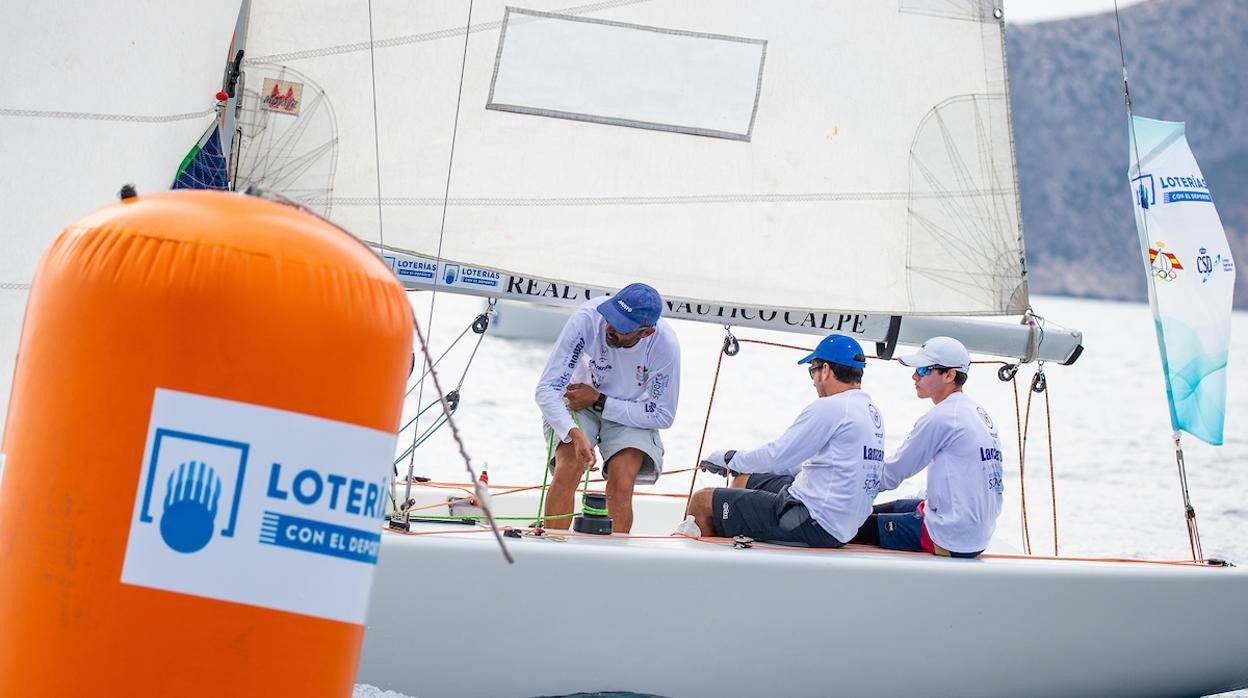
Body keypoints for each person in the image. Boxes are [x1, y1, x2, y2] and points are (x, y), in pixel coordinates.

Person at [687, 334, 884, 547]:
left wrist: (728, 459)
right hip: (839, 524)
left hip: (810, 521)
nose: (813, 383)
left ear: (825, 370)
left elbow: (777, 456)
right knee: (745, 479)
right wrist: (742, 465)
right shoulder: (871, 413)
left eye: (812, 372)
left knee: (702, 502)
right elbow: (814, 462)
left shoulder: (831, 408)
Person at [534, 282, 680, 533]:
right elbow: (547, 389)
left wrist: (601, 401)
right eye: (610, 316)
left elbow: (662, 414)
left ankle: (615, 565)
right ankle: (552, 547)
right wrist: (574, 434)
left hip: (631, 408)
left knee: (622, 482)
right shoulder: (587, 319)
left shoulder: (664, 346)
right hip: (579, 399)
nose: (609, 327)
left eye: (621, 327)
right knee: (568, 467)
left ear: (645, 332)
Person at [849, 336, 1004, 558]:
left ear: (949, 375)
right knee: (892, 507)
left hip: (950, 537)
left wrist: (842, 487)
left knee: (849, 526)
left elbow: (892, 474)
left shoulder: (942, 417)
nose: (914, 375)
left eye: (922, 370)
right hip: (975, 533)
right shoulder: (977, 412)